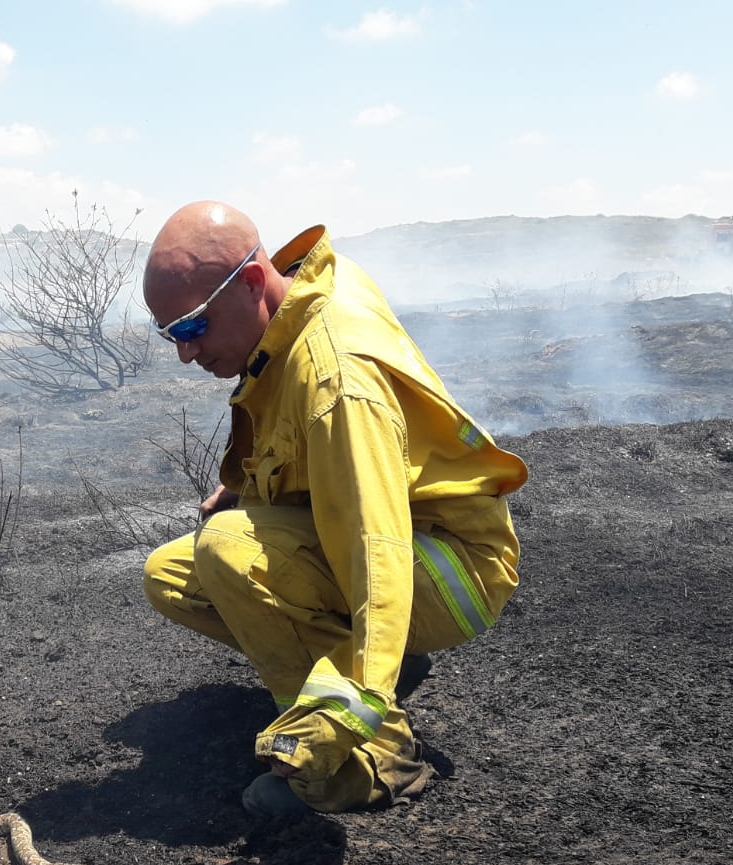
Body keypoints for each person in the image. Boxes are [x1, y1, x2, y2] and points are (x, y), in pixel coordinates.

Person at [141, 201, 528, 819]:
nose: (186, 353)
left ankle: (373, 757)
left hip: (447, 568)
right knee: (172, 574)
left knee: (228, 549)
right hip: (409, 541)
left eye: (192, 328)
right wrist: (244, 483)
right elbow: (284, 409)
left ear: (249, 282)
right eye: (171, 335)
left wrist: (365, 695)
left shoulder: (337, 384)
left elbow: (377, 548)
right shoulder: (302, 296)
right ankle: (360, 659)